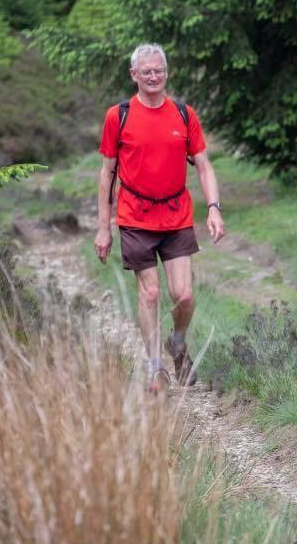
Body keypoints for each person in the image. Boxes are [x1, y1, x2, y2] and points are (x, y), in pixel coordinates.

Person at [94, 43, 226, 394]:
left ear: (166, 73)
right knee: (150, 293)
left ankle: (178, 343)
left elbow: (203, 164)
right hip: (135, 216)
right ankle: (155, 370)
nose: (153, 76)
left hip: (176, 215)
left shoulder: (183, 114)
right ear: (133, 75)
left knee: (183, 295)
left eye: (159, 70)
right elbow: (107, 174)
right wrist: (103, 229)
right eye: (146, 71)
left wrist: (213, 207)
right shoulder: (118, 116)